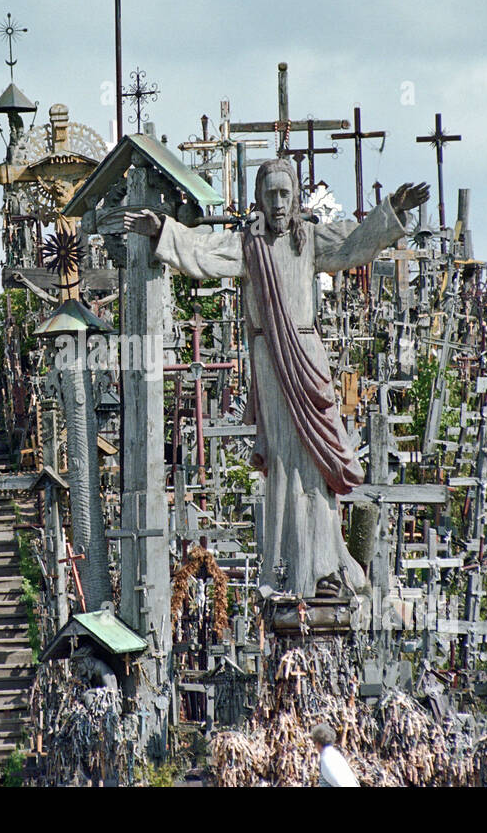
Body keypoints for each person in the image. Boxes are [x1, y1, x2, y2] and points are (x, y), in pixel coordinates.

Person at [125, 161, 428, 599]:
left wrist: (392, 211)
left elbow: (355, 243)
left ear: (297, 197)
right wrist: (163, 231)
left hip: (307, 357)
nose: (279, 203)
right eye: (271, 195)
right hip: (272, 361)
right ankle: (288, 566)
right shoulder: (249, 246)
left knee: (318, 465)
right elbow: (205, 253)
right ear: (259, 199)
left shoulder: (308, 242)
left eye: (286, 194)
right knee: (286, 461)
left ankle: (327, 562)